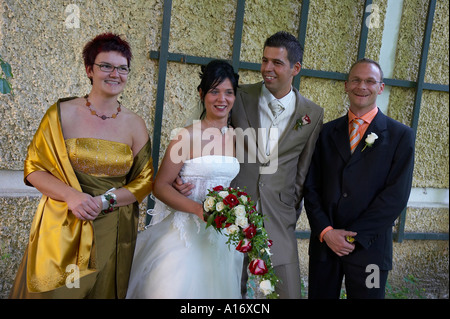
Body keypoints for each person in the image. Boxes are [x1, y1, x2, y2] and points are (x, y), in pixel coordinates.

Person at [176, 31, 324, 299]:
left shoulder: (312, 114)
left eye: (277, 63)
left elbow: (302, 171)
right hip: (233, 213)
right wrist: (188, 171)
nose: (267, 68)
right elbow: (211, 134)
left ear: (296, 68)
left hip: (279, 216)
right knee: (232, 288)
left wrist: (290, 209)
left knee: (288, 291)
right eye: (265, 60)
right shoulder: (238, 97)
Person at [9, 33, 153, 299]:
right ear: (90, 70)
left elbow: (144, 182)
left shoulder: (135, 124)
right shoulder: (61, 113)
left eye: (122, 68)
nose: (115, 74)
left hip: (112, 228)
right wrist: (72, 196)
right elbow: (34, 168)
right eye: (106, 66)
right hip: (63, 223)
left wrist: (104, 202)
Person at [125, 60, 243, 299]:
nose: (222, 99)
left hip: (221, 239)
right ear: (202, 94)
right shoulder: (185, 136)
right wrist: (198, 209)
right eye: (214, 91)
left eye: (228, 92)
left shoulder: (236, 136)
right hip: (185, 236)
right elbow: (160, 186)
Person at [304, 58, 415, 299]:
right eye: (355, 80)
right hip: (325, 246)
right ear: (346, 85)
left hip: (371, 250)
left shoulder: (400, 136)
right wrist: (326, 231)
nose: (361, 86)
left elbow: (395, 197)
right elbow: (311, 187)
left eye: (369, 81)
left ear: (380, 87)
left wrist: (356, 236)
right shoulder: (325, 133)